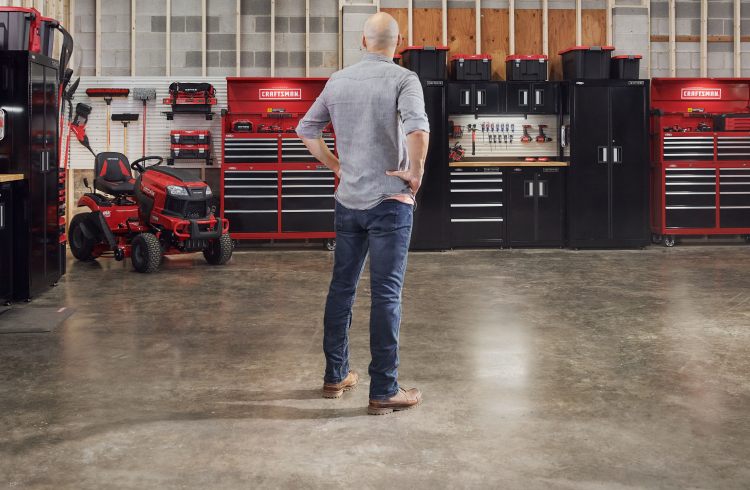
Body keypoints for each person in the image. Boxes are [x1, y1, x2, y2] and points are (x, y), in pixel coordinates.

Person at [297, 12, 430, 415]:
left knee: (342, 287)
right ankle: (384, 389)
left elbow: (307, 129)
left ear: (363, 41)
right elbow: (417, 128)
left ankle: (335, 375)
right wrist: (416, 171)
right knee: (386, 294)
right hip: (390, 201)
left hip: (348, 202)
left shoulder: (338, 80)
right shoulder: (403, 79)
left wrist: (337, 167)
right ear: (398, 42)